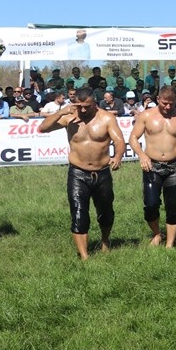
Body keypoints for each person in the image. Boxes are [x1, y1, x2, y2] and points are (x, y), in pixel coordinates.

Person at [38, 88, 125, 260]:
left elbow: (119, 140)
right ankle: (84, 257)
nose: (83, 110)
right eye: (80, 106)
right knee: (78, 213)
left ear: (94, 103)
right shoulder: (69, 118)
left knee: (105, 212)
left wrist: (118, 156)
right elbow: (43, 128)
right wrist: (61, 111)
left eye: (87, 106)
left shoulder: (106, 118)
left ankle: (105, 240)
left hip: (102, 172)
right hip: (78, 172)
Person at [128, 87, 176, 248]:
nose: (167, 107)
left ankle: (170, 244)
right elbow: (133, 138)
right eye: (164, 103)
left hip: (174, 166)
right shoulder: (146, 116)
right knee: (151, 204)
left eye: (171, 104)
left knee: (173, 206)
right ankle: (157, 233)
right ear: (158, 99)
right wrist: (142, 155)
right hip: (152, 166)